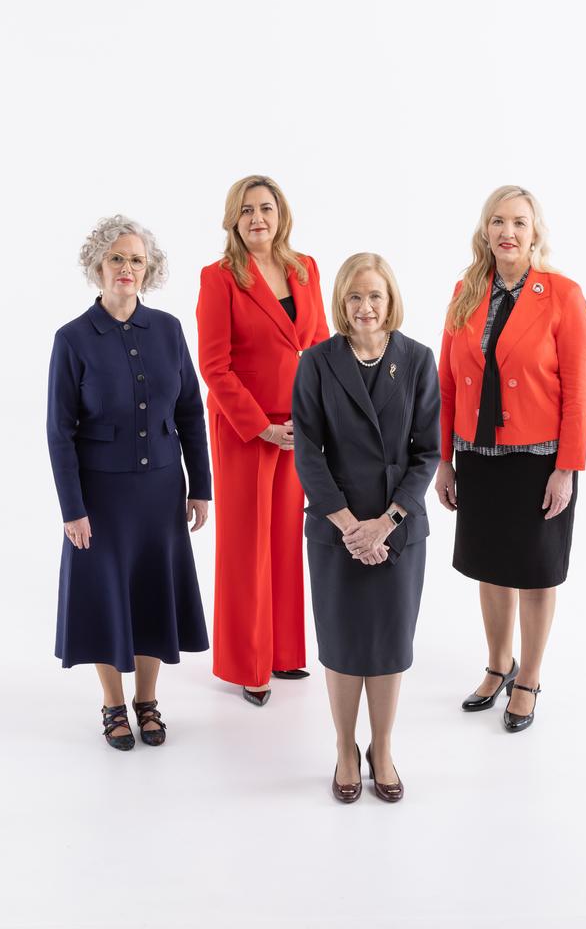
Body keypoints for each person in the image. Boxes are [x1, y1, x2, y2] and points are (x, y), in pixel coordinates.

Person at [47, 215, 211, 750]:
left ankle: (148, 701)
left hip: (162, 491)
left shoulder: (167, 329)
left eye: (136, 259)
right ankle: (112, 704)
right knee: (105, 598)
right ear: (98, 266)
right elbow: (58, 432)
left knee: (151, 595)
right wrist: (72, 507)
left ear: (150, 269)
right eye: (117, 258)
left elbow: (191, 411)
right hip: (101, 497)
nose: (127, 268)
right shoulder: (72, 339)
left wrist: (200, 485)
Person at [435, 185, 586, 731]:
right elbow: (447, 384)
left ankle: (529, 678)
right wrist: (444, 460)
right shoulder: (465, 291)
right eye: (498, 221)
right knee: (490, 568)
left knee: (535, 573)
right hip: (477, 455)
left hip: (538, 460)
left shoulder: (564, 295)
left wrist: (566, 468)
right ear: (485, 231)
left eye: (519, 223)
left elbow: (579, 390)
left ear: (535, 232)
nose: (508, 232)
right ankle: (498, 665)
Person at [292, 253, 440, 802]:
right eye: (355, 296)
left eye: (375, 295)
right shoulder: (317, 361)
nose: (365, 307)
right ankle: (343, 748)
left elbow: (427, 453)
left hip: (398, 529)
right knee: (341, 644)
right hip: (337, 529)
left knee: (387, 644)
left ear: (390, 299)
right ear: (341, 301)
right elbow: (308, 452)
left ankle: (382, 747)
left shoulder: (419, 359)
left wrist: (387, 522)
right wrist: (352, 525)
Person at [196, 175, 329, 706]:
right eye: (247, 210)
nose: (258, 218)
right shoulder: (219, 277)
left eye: (266, 208)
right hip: (245, 427)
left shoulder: (306, 269)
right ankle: (247, 663)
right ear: (234, 219)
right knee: (246, 543)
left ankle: (282, 652)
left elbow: (318, 347)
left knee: (283, 538)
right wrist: (262, 425)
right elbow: (215, 365)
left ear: (282, 215)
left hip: (297, 427)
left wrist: (313, 417)